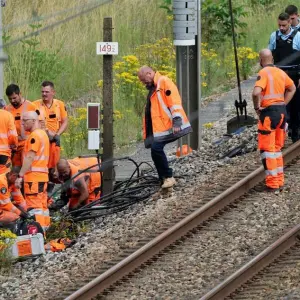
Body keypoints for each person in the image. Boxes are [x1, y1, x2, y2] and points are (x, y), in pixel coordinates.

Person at [137, 66, 192, 189]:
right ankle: (163, 178)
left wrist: (177, 121)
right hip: (162, 128)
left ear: (149, 73)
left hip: (170, 126)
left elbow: (174, 101)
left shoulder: (164, 82)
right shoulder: (154, 87)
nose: (143, 82)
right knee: (155, 151)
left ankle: (168, 177)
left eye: (143, 79)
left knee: (156, 149)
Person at [252, 49, 296, 193]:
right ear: (272, 58)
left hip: (269, 114)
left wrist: (257, 107)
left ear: (261, 60)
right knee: (277, 149)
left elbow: (256, 92)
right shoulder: (280, 72)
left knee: (268, 150)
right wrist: (283, 102)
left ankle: (272, 184)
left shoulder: (263, 73)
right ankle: (279, 180)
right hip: (282, 113)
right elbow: (292, 88)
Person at [15, 111, 50, 232]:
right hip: (42, 177)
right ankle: (44, 232)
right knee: (43, 207)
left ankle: (37, 235)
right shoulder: (43, 134)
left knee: (35, 208)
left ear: (34, 121)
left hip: (33, 179)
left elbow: (29, 157)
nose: (22, 123)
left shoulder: (34, 136)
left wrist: (20, 175)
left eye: (25, 120)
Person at [268, 12, 300, 142]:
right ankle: (281, 133)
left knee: (296, 104)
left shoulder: (298, 36)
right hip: (279, 75)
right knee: (281, 105)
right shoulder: (274, 36)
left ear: (289, 23)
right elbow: (269, 55)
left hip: (294, 75)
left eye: (284, 25)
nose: (281, 28)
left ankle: (295, 130)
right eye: (279, 25)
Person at [33, 81, 68, 179]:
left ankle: (52, 184)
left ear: (53, 92)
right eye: (42, 92)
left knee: (54, 166)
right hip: (41, 140)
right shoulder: (34, 105)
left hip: (54, 140)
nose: (44, 94)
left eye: (46, 92)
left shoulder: (59, 104)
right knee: (41, 165)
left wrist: (57, 134)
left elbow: (65, 122)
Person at [5, 84, 39, 169]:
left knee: (27, 169)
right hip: (14, 147)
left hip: (27, 144)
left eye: (14, 98)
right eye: (10, 99)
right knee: (16, 170)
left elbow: (39, 126)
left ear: (20, 94)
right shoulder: (6, 109)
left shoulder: (31, 106)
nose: (12, 101)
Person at [0, 102, 18, 174]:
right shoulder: (8, 115)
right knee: (3, 176)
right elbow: (13, 135)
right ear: (4, 107)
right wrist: (14, 146)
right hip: (3, 153)